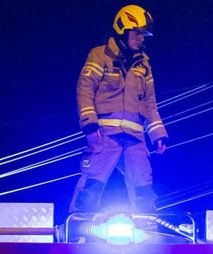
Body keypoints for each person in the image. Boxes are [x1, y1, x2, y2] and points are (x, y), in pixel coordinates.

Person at [69, 5, 168, 215]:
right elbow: (84, 89)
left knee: (143, 188)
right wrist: (90, 122)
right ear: (123, 28)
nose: (141, 38)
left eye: (143, 35)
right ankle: (77, 231)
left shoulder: (144, 65)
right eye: (138, 33)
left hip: (135, 138)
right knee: (92, 184)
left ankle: (147, 233)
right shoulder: (100, 55)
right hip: (105, 135)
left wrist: (158, 134)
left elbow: (150, 102)